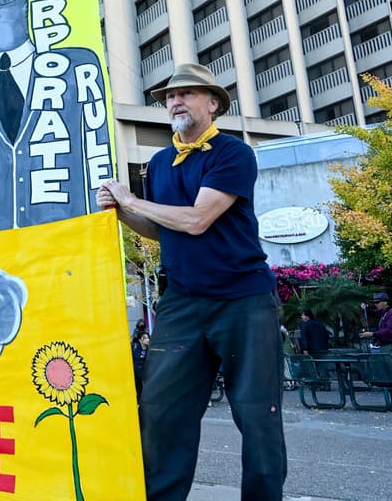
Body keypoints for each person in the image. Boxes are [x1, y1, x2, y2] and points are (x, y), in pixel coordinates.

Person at [97, 63, 286, 501]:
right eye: (169, 97)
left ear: (213, 103)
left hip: (244, 298)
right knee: (161, 409)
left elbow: (198, 220)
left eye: (186, 93)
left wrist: (131, 197)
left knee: (257, 414)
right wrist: (121, 213)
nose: (175, 101)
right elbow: (164, 230)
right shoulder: (161, 162)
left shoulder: (233, 153)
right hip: (181, 300)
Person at [360, 292, 392, 363]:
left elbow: (390, 330)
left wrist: (372, 334)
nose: (375, 304)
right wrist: (365, 308)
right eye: (375, 302)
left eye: (377, 302)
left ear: (385, 302)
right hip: (386, 346)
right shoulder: (384, 312)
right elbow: (373, 313)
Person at [132, 331, 150, 399]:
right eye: (145, 338)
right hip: (137, 372)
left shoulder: (150, 349)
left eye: (148, 338)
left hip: (146, 372)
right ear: (140, 340)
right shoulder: (135, 348)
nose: (147, 339)